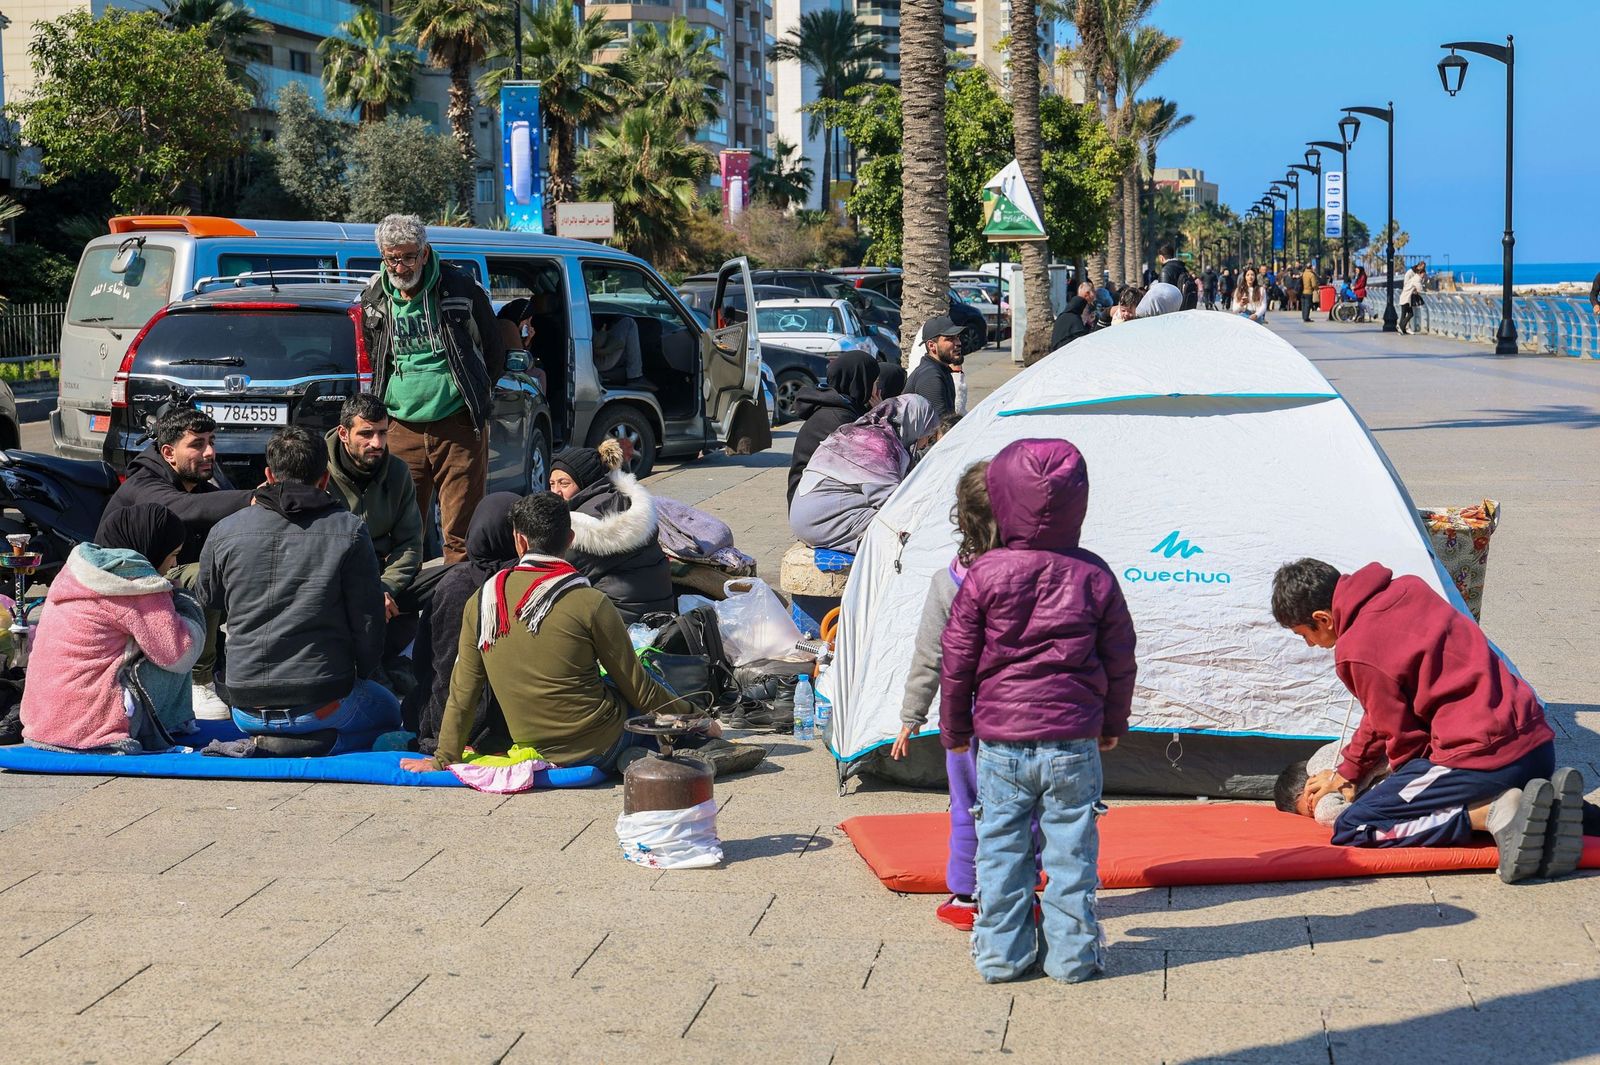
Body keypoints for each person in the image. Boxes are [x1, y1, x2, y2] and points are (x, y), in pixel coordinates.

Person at [940, 439, 1138, 984]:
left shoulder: (985, 574)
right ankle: (1073, 958)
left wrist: (954, 727)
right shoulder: (1095, 574)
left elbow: (956, 660)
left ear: (1001, 498)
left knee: (1001, 850)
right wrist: (1113, 723)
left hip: (1001, 742)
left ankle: (1002, 956)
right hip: (1074, 739)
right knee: (1071, 852)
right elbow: (1121, 658)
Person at [1270, 558, 1585, 883]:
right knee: (1422, 788)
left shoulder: (1355, 648)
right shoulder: (1409, 588)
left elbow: (1404, 740)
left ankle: (1492, 812)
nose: (1309, 644)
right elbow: (1380, 714)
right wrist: (1349, 769)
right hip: (1537, 746)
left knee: (1355, 825)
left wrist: (1390, 791)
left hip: (1482, 761)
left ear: (1323, 619)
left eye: (1304, 635)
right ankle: (1560, 809)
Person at [402, 492, 693, 773]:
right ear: (570, 539)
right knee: (648, 675)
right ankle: (672, 742)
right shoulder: (588, 600)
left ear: (520, 541)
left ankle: (649, 746)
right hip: (601, 745)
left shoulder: (483, 600)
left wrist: (444, 758)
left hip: (535, 747)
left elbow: (463, 689)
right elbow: (638, 688)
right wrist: (695, 718)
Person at [197, 426, 398, 756]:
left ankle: (282, 741)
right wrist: (361, 673)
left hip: (244, 709)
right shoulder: (349, 530)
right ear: (325, 478)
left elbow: (210, 599)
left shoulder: (225, 530)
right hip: (323, 703)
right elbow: (368, 622)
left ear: (268, 476)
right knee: (390, 710)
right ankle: (329, 743)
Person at [892, 461, 1002, 930]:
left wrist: (911, 715)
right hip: (1030, 716)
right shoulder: (1042, 573)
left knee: (967, 803)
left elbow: (929, 656)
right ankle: (1023, 891)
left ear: (962, 518)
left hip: (966, 718)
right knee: (1024, 806)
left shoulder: (948, 581)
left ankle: (965, 895)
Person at [359, 213, 506, 565]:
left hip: (457, 422)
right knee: (401, 530)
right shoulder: (374, 296)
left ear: (425, 253)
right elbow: (376, 355)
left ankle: (458, 609)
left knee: (461, 532)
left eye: (409, 256)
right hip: (399, 425)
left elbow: (493, 348)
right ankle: (403, 609)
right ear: (383, 256)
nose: (401, 265)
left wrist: (477, 397)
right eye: (393, 258)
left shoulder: (459, 287)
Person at [96, 406, 253, 720]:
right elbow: (184, 507)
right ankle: (198, 681)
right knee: (205, 574)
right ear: (168, 452)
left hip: (155, 594)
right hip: (117, 599)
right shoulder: (145, 484)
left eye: (211, 441)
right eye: (197, 444)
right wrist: (252, 499)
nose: (210, 452)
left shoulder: (196, 488)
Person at [20, 504, 205, 753]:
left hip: (43, 723)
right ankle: (169, 723)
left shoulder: (80, 571)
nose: (174, 563)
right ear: (153, 547)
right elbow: (180, 654)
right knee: (173, 641)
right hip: (91, 726)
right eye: (173, 554)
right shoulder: (136, 581)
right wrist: (182, 599)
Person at [418, 492, 520, 754]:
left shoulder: (452, 584)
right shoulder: (523, 583)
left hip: (448, 725)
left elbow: (427, 661)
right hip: (511, 727)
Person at [325, 393, 424, 645]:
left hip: (383, 576)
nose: (377, 443)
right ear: (344, 433)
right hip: (333, 578)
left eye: (382, 432)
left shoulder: (398, 472)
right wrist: (364, 593)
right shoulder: (318, 469)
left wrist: (385, 586)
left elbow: (410, 543)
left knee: (457, 580)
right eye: (366, 434)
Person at [789, 395, 938, 553]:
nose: (926, 443)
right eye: (928, 435)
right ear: (915, 425)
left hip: (808, 515)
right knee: (904, 531)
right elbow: (891, 502)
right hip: (818, 522)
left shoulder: (862, 431)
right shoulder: (876, 445)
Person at [548, 440, 674, 623]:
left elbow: (556, 573)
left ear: (584, 481)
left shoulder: (582, 524)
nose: (556, 492)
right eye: (552, 484)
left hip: (621, 621)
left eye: (564, 483)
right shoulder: (625, 501)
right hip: (661, 608)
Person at [787, 351, 878, 505]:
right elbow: (872, 461)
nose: (877, 390)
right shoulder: (839, 418)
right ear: (861, 381)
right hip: (810, 502)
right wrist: (878, 418)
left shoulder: (845, 409)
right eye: (874, 382)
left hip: (816, 495)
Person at [906, 316, 964, 418]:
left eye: (957, 337)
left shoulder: (941, 369)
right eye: (950, 339)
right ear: (932, 346)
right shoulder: (930, 377)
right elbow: (940, 428)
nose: (958, 343)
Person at [592, 314, 655, 392]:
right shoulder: (578, 317)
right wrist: (612, 345)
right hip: (597, 360)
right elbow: (597, 347)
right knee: (629, 323)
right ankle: (635, 377)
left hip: (593, 358)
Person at [1399, 262, 1427, 335]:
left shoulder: (1416, 276)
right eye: (1423, 267)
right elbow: (1419, 289)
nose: (1423, 269)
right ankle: (1401, 327)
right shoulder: (1414, 276)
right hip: (1407, 297)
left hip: (1406, 296)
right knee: (1410, 314)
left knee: (1406, 314)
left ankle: (1402, 329)